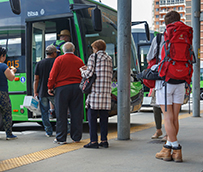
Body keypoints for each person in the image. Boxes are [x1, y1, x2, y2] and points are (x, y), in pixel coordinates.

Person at [155, 11, 186, 162]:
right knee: (175, 117)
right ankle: (167, 150)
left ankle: (176, 148)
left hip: (165, 81)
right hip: (181, 80)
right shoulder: (185, 35)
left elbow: (150, 57)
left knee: (167, 117)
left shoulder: (162, 36)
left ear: (166, 23)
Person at [47, 42, 84, 144]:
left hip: (62, 88)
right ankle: (76, 137)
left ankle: (61, 138)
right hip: (77, 88)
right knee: (76, 113)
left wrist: (50, 87)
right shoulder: (79, 60)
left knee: (61, 113)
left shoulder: (59, 59)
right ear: (73, 50)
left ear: (63, 50)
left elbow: (53, 74)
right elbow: (83, 74)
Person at [80, 39, 113, 149]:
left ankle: (93, 141)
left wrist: (82, 70)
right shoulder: (109, 58)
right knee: (104, 119)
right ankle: (104, 140)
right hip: (106, 93)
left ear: (95, 48)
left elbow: (89, 74)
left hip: (95, 94)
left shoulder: (93, 57)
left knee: (92, 119)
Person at [146, 33, 167, 142]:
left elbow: (149, 57)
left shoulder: (159, 38)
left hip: (160, 76)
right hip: (177, 76)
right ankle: (169, 134)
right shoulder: (183, 36)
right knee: (171, 108)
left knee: (157, 106)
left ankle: (159, 130)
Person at [34, 45, 57, 137]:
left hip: (42, 91)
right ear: (54, 53)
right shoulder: (56, 62)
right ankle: (65, 128)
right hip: (53, 91)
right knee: (60, 110)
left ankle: (48, 131)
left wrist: (35, 91)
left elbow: (36, 79)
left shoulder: (39, 63)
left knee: (44, 112)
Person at [0, 46, 18, 140]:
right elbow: (11, 78)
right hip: (2, 93)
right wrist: (13, 71)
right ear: (2, 56)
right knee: (6, 113)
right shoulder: (3, 66)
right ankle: (9, 134)